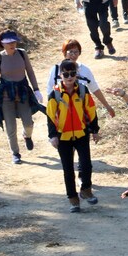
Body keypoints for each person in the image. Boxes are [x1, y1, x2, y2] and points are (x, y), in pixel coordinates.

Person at [47, 60, 102, 212]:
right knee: (68, 169)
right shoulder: (55, 93)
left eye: (72, 74)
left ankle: (85, 190)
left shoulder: (83, 91)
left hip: (81, 134)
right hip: (62, 137)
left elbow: (91, 111)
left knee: (86, 164)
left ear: (76, 74)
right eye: (66, 74)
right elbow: (50, 116)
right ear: (60, 75)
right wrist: (53, 135)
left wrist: (95, 130)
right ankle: (73, 199)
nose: (69, 77)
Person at [0, 30, 42, 164]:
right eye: (9, 43)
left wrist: (36, 89)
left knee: (28, 123)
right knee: (11, 127)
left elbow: (30, 72)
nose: (12, 44)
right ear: (2, 44)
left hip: (23, 93)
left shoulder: (22, 54)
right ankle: (15, 153)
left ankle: (27, 136)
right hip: (6, 96)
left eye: (14, 41)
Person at [43, 40, 117, 121]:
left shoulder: (85, 70)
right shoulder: (56, 69)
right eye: (70, 52)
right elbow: (50, 91)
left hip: (81, 113)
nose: (73, 55)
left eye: (76, 52)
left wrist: (107, 106)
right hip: (62, 114)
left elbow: (94, 88)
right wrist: (52, 113)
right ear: (64, 52)